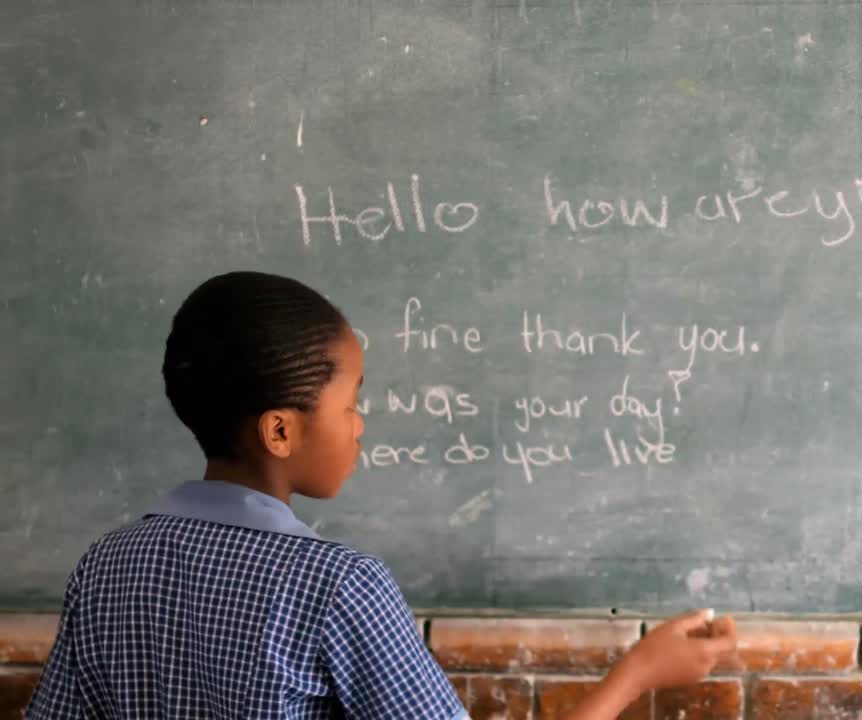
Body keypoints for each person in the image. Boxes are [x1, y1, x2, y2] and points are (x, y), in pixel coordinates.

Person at [26, 271, 736, 719]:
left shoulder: (108, 566)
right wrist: (636, 675)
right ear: (280, 429)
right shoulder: (336, 587)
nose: (361, 425)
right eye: (350, 402)